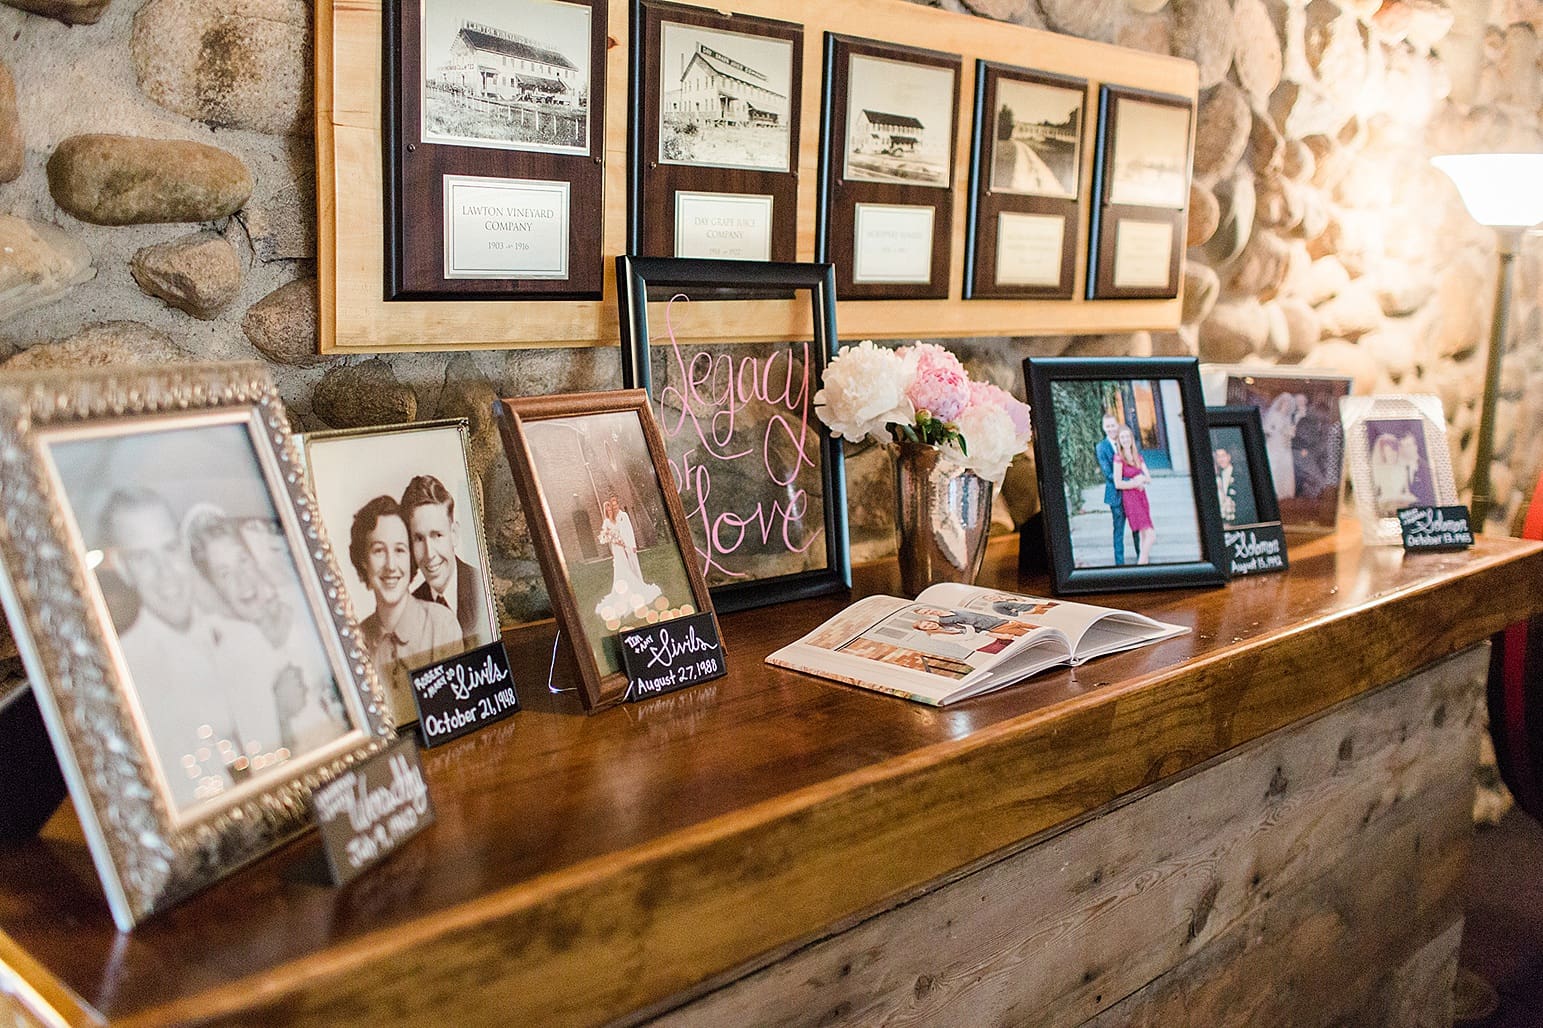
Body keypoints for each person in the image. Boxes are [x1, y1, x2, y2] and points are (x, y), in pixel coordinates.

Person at [100, 488, 243, 809]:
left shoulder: (242, 631)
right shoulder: (121, 673)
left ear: (184, 549)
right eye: (143, 558)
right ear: (123, 568)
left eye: (169, 549)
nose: (165, 573)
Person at [185, 506, 349, 758]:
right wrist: (280, 714)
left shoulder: (305, 607)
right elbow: (257, 764)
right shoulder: (226, 656)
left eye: (243, 560)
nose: (242, 580)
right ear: (215, 589)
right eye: (224, 574)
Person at [349, 495, 462, 719]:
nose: (391, 566)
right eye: (379, 550)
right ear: (364, 561)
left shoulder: (441, 625)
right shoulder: (354, 641)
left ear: (411, 558)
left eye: (400, 550)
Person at [400, 475, 489, 649]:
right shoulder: (411, 610)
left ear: (454, 534)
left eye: (437, 536)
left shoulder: (482, 586)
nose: (429, 554)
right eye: (418, 539)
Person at [595, 496, 662, 624]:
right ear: (605, 510)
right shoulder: (607, 522)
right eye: (608, 507)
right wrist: (613, 540)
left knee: (628, 565)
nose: (610, 509)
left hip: (624, 545)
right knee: (620, 567)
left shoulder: (620, 517)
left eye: (612, 506)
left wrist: (629, 544)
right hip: (617, 548)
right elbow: (606, 536)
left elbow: (626, 531)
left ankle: (635, 583)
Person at [1094, 413, 1139, 566]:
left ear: (1117, 425)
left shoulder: (1125, 441)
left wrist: (1138, 479)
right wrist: (1129, 481)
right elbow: (1108, 473)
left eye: (1113, 425)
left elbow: (1135, 462)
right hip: (1116, 495)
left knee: (1136, 527)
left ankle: (1142, 558)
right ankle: (1119, 563)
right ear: (1103, 428)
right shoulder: (1101, 447)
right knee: (1118, 530)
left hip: (1132, 494)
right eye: (1108, 426)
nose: (1111, 429)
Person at [1113, 426, 1156, 565]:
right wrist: (1134, 482)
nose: (1125, 440)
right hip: (1130, 499)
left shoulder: (1138, 457)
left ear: (1131, 438)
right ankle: (1141, 563)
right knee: (1150, 534)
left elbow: (1148, 478)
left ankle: (1144, 564)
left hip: (1142, 497)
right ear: (1119, 440)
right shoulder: (1118, 458)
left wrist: (1142, 479)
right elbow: (1118, 483)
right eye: (1122, 437)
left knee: (1145, 535)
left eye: (1127, 437)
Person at [1261, 392, 1301, 501]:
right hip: (1274, 443)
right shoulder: (1274, 414)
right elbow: (1266, 428)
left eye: (1289, 404)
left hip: (1284, 445)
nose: (1286, 406)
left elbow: (1290, 432)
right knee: (1273, 465)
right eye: (1285, 403)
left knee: (1284, 466)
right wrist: (1275, 431)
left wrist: (1289, 433)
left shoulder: (1288, 418)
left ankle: (1284, 493)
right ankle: (1272, 491)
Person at [1370, 432, 1418, 513]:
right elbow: (1375, 490)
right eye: (1388, 451)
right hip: (1384, 501)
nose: (1391, 455)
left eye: (1394, 452)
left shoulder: (1403, 468)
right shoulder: (1379, 470)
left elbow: (1406, 491)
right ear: (1383, 454)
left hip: (1401, 501)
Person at [1215, 446, 1239, 525]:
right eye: (1218, 457)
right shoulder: (1218, 477)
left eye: (1223, 456)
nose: (1221, 460)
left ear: (1228, 457)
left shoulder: (1238, 474)